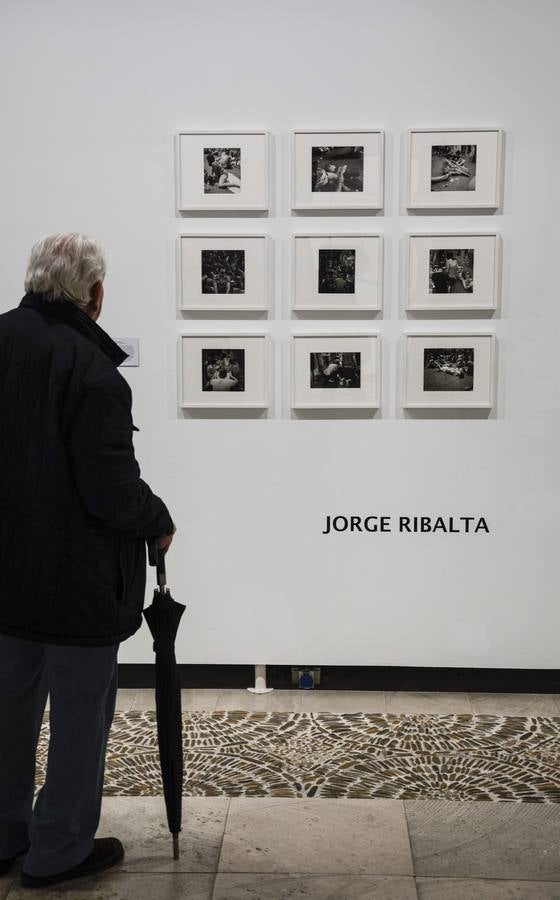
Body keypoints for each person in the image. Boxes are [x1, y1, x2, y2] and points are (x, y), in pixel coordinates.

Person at [0, 233, 175, 889]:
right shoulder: (92, 372)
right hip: (76, 584)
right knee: (78, 719)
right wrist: (157, 520)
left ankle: (3, 834)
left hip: (6, 575)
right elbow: (112, 492)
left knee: (8, 709)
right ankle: (58, 850)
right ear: (94, 293)